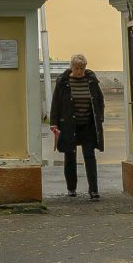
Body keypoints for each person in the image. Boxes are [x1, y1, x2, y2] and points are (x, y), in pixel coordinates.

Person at [49, 53, 105, 199]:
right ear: (71, 67)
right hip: (68, 125)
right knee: (70, 156)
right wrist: (54, 123)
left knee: (89, 156)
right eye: (76, 68)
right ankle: (71, 188)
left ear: (85, 68)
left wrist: (99, 118)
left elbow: (99, 100)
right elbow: (56, 104)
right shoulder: (63, 82)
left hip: (87, 125)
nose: (79, 71)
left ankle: (94, 190)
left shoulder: (91, 81)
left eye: (81, 68)